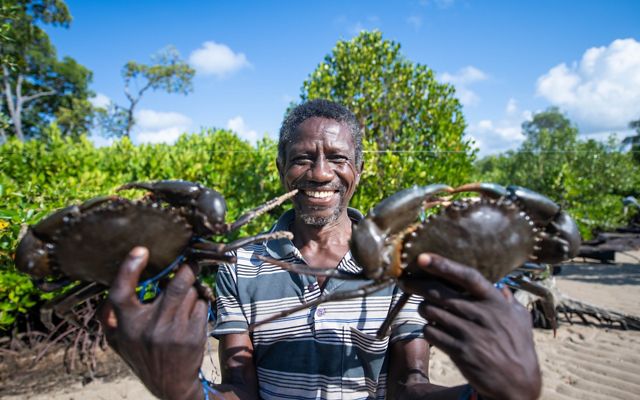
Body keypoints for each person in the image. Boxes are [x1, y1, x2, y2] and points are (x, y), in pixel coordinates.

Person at [99, 99, 542, 400]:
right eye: (302, 158)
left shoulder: (400, 261)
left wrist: (484, 392)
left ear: (359, 171)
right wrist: (185, 391)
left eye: (338, 158)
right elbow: (241, 384)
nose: (319, 173)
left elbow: (409, 384)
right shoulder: (240, 262)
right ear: (280, 170)